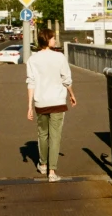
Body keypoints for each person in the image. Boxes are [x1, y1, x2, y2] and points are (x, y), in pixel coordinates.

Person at [26, 28, 77, 182]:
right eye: (53, 38)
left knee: (42, 134)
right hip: (57, 102)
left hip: (41, 102)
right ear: (47, 40)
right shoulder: (60, 57)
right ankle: (52, 172)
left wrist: (29, 106)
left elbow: (31, 82)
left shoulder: (32, 60)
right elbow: (66, 79)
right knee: (55, 136)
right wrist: (72, 94)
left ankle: (42, 164)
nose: (55, 40)